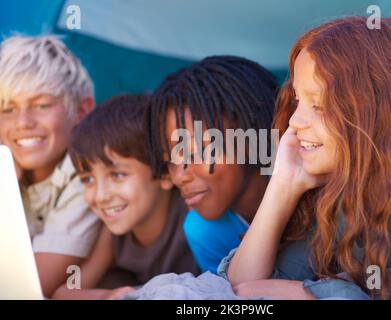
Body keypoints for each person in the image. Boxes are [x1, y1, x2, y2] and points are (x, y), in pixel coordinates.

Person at [224, 17, 391, 299]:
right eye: (297, 101)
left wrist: (315, 294)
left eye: (318, 105)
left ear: (378, 108)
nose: (294, 121)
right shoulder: (338, 189)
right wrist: (283, 186)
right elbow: (240, 287)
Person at [53, 94, 199, 299]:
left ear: (165, 173)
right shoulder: (112, 234)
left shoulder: (194, 218)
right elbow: (67, 290)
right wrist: (108, 296)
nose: (101, 196)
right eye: (88, 180)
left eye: (118, 175)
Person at [147, 55, 279, 273]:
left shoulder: (326, 204)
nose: (179, 176)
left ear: (251, 136)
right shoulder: (204, 232)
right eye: (170, 160)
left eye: (196, 151)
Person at [0, 35, 100, 298]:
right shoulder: (7, 170)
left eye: (41, 105)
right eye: (7, 109)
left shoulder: (89, 174)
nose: (23, 122)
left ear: (82, 110)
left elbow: (22, 289)